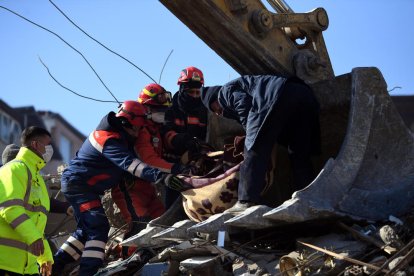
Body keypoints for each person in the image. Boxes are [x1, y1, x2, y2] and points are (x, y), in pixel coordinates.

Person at [52, 101, 186, 276]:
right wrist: (163, 176)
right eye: (136, 128)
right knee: (98, 228)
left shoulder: (119, 137)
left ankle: (54, 267)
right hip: (79, 186)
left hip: (83, 186)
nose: (137, 133)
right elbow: (131, 165)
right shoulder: (107, 139)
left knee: (85, 231)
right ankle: (88, 271)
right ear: (125, 123)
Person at [201, 75, 321, 215]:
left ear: (214, 99)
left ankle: (246, 201)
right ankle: (308, 197)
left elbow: (243, 104)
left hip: (277, 95)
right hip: (303, 94)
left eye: (213, 108)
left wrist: (250, 135)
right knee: (298, 153)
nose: (217, 113)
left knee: (252, 149)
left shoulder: (224, 92)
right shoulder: (243, 85)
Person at [111, 84, 188, 258]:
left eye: (163, 109)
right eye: (157, 108)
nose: (162, 112)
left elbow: (163, 149)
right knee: (139, 226)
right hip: (130, 190)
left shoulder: (156, 129)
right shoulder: (140, 131)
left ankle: (146, 259)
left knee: (162, 225)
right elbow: (149, 160)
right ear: (145, 108)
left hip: (148, 189)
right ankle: (127, 263)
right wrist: (175, 168)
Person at [0, 126, 55, 276]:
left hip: (26, 267)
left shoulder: (38, 179)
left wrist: (45, 257)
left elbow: (37, 225)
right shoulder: (13, 169)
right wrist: (34, 237)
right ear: (36, 144)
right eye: (48, 144)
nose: (50, 149)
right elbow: (10, 209)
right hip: (4, 262)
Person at [161, 66, 210, 207]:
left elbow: (206, 134)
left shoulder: (203, 111)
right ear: (182, 89)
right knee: (173, 199)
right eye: (191, 92)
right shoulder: (170, 109)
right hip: (171, 162)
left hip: (195, 160)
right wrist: (183, 140)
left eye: (197, 92)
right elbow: (166, 134)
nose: (195, 96)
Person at [2, 144, 74, 217]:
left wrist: (66, 207)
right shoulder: (10, 181)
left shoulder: (25, 180)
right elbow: (11, 211)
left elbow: (42, 200)